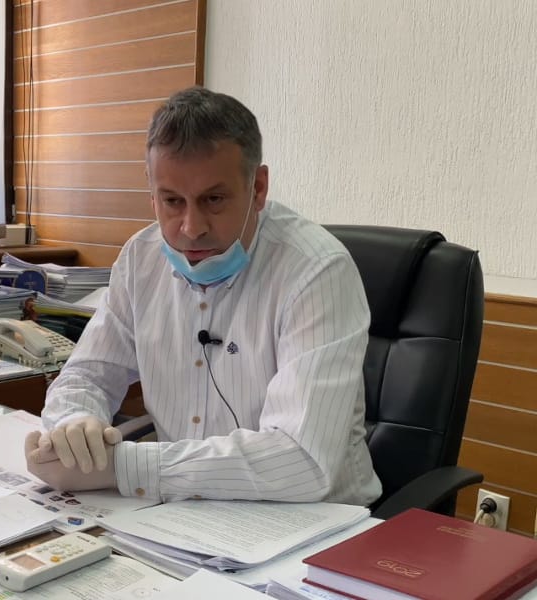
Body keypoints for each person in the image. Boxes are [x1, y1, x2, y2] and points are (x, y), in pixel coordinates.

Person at [26, 86, 382, 506]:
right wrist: (76, 426)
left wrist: (122, 467)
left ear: (258, 188)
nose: (191, 227)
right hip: (186, 513)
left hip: (313, 521)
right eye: (172, 201)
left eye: (213, 199)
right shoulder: (140, 259)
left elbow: (301, 461)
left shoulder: (316, 270)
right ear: (151, 192)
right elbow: (86, 376)